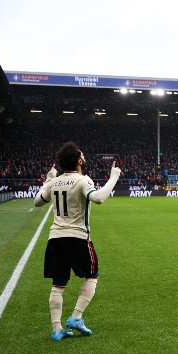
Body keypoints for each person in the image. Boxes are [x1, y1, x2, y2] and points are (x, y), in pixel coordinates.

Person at [34, 141, 122, 341]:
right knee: (92, 275)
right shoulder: (83, 180)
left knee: (58, 284)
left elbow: (37, 201)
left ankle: (56, 329)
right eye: (82, 155)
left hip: (55, 238)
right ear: (78, 160)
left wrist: (48, 181)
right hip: (77, 237)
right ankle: (76, 317)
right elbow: (98, 198)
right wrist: (114, 177)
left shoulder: (55, 182)